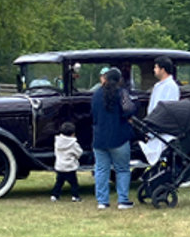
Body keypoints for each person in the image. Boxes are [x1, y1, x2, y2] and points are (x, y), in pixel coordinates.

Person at [92, 68, 135, 210]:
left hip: (99, 138)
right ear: (119, 80)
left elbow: (93, 114)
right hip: (119, 137)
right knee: (122, 169)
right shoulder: (121, 93)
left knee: (101, 170)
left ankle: (102, 201)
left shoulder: (97, 94)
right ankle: (123, 200)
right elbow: (128, 109)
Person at [51, 122, 83, 202]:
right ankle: (75, 196)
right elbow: (79, 153)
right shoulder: (73, 144)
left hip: (60, 166)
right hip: (70, 167)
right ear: (73, 133)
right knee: (74, 183)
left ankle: (55, 195)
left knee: (59, 182)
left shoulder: (57, 142)